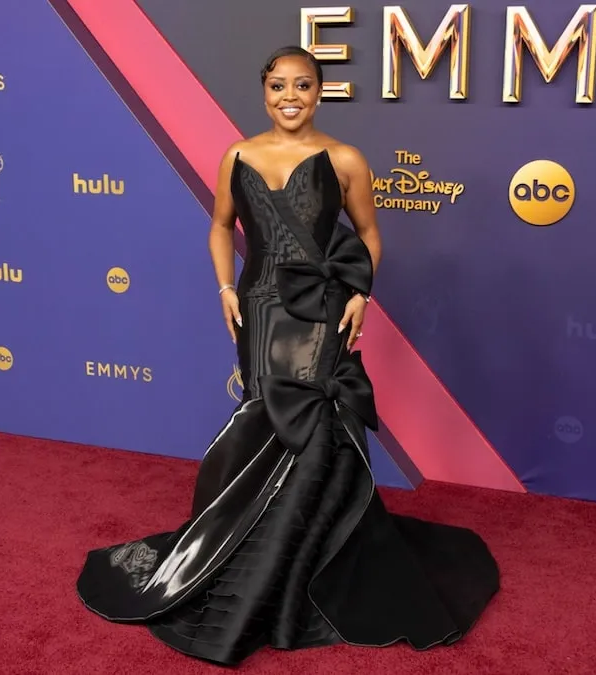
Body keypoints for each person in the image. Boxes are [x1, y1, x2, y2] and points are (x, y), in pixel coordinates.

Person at [75, 46, 500, 665]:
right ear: (264, 91)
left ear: (320, 92)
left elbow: (371, 236)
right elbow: (222, 225)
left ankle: (299, 561)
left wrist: (360, 293)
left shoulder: (346, 159)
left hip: (322, 309)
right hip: (259, 307)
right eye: (278, 86)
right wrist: (224, 286)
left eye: (303, 85)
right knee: (264, 416)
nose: (290, 96)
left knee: (315, 423)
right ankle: (252, 547)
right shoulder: (238, 155)